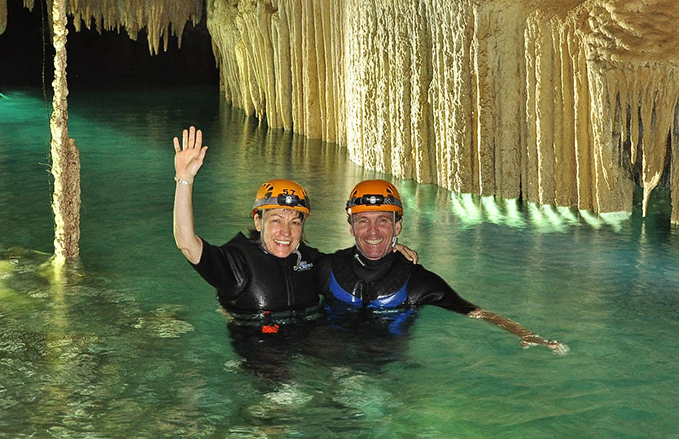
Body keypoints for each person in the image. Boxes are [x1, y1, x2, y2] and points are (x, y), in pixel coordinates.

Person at [318, 179, 568, 353]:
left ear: (397, 226)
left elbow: (473, 311)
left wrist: (525, 333)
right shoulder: (327, 268)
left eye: (382, 220)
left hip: (383, 366)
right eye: (363, 221)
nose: (373, 231)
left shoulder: (417, 282)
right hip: (326, 360)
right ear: (351, 227)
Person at [173, 126, 321, 328]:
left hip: (305, 338)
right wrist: (184, 180)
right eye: (276, 220)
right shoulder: (237, 264)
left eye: (294, 222)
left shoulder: (310, 260)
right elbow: (187, 244)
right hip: (258, 343)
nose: (286, 232)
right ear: (258, 222)